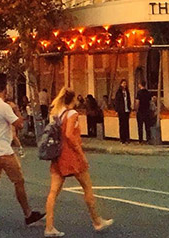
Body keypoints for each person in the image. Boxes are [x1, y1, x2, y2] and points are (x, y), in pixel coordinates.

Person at [0, 73, 45, 232]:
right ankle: (28, 215)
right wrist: (16, 110)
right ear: (5, 87)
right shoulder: (4, 106)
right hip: (4, 151)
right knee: (18, 181)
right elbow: (20, 124)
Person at [44, 87, 113, 237]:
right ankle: (97, 221)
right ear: (73, 99)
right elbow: (69, 134)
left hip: (58, 154)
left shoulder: (57, 113)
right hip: (71, 155)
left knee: (53, 192)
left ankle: (49, 226)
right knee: (87, 187)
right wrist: (80, 153)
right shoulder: (72, 114)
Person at [113, 80, 132, 144]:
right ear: (121, 84)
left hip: (127, 110)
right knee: (122, 125)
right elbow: (117, 102)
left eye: (125, 83)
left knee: (126, 125)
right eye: (123, 83)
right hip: (121, 110)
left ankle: (127, 138)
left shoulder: (127, 92)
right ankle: (122, 139)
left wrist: (129, 108)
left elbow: (128, 100)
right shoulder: (119, 92)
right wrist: (117, 110)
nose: (124, 85)